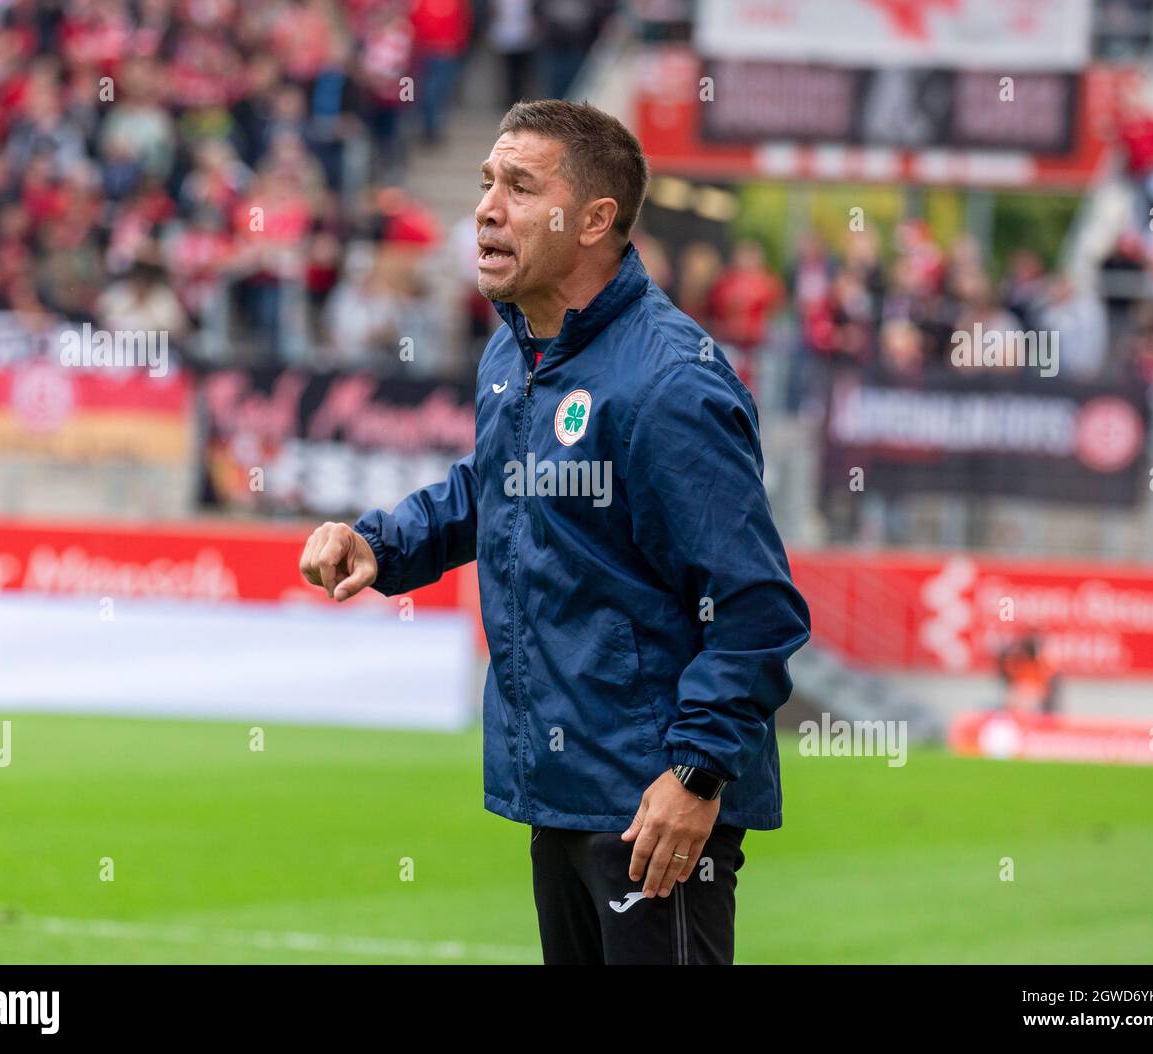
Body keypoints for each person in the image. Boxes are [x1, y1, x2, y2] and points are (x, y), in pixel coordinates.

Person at [298, 100, 810, 965]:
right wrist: (380, 543)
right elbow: (491, 490)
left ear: (595, 221)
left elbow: (756, 607)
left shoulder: (669, 384)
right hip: (562, 789)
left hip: (654, 805)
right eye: (487, 182)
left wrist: (696, 775)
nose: (487, 207)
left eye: (521, 187)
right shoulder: (517, 352)